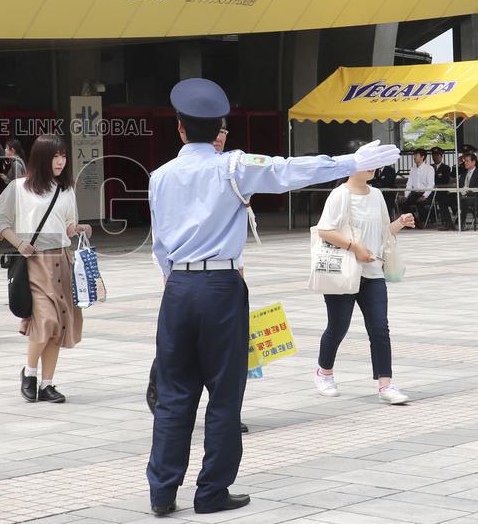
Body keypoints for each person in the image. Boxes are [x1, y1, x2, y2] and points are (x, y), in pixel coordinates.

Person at [146, 78, 399, 516]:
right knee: (224, 395)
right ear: (218, 131)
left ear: (181, 130)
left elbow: (160, 247)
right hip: (222, 286)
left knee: (174, 394)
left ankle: (162, 492)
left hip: (178, 288)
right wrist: (349, 162)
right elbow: (288, 171)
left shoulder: (160, 176)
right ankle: (210, 493)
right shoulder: (233, 167)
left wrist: (176, 281)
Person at [146, 119, 251, 433]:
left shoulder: (231, 171)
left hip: (216, 275)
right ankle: (162, 389)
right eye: (215, 132)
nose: (219, 139)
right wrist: (169, 274)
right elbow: (163, 234)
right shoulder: (174, 175)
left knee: (206, 355)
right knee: (187, 354)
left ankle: (217, 413)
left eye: (223, 133)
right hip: (187, 276)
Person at [0, 135, 89, 403]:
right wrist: (19, 243)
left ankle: (47, 384)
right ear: (41, 158)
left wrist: (79, 229)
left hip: (62, 261)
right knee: (45, 321)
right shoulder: (19, 187)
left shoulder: (67, 189)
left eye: (63, 156)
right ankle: (30, 374)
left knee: (57, 325)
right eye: (55, 156)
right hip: (34, 261)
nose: (60, 161)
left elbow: (68, 224)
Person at [313, 160, 414, 405]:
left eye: (374, 164)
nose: (373, 168)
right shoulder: (339, 195)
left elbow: (382, 232)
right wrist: (355, 247)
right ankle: (324, 372)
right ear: (351, 167)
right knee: (338, 326)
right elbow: (324, 231)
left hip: (373, 272)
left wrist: (399, 223)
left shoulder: (377, 195)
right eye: (367, 163)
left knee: (380, 328)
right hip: (344, 272)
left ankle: (385, 384)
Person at [442, 152, 478, 229]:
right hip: (461, 195)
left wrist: (468, 191)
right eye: (464, 161)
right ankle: (449, 223)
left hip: (474, 197)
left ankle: (462, 224)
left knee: (464, 200)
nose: (465, 163)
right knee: (443, 200)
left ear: (474, 162)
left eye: (467, 161)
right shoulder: (463, 174)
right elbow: (458, 185)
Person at [397, 149, 434, 222]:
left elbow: (431, 184)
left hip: (426, 193)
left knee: (420, 203)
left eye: (416, 155)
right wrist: (406, 195)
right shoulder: (412, 169)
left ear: (422, 157)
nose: (414, 157)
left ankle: (422, 222)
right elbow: (409, 184)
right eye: (414, 155)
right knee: (402, 202)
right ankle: (414, 221)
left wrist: (424, 196)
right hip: (415, 193)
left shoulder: (429, 168)